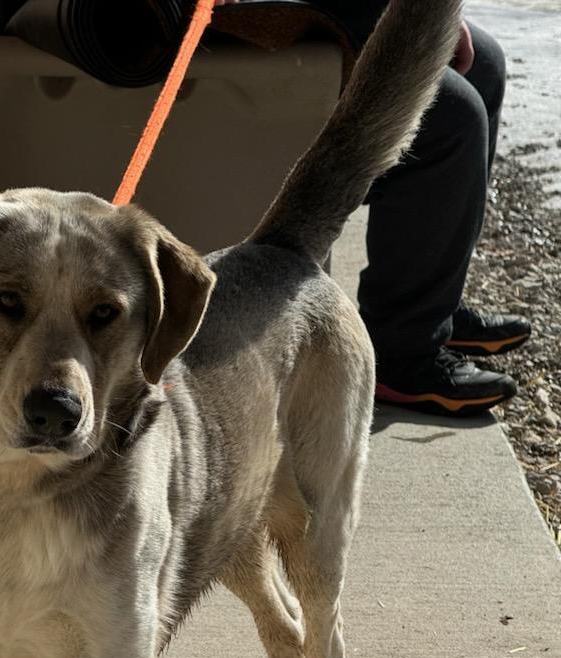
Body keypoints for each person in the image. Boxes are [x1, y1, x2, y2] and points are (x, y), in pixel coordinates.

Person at [218, 0, 529, 416]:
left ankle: (430, 306)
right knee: (454, 116)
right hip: (254, 19)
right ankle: (402, 354)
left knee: (485, 63)